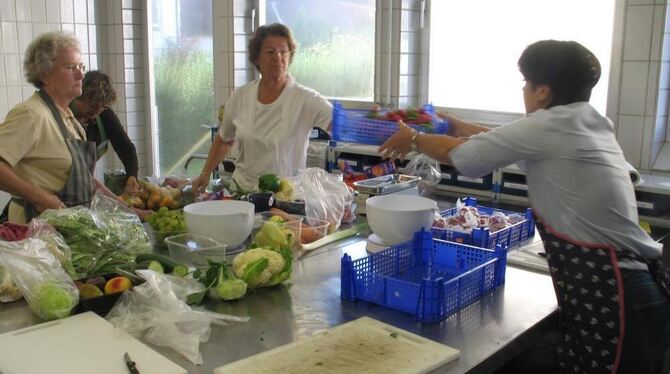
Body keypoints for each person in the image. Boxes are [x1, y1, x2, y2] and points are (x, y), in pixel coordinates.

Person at [380, 40, 670, 373]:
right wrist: (465, 128)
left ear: (543, 91)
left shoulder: (552, 125)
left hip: (616, 299)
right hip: (626, 293)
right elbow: (514, 142)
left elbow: (465, 158)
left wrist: (414, 138)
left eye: (526, 84)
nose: (524, 92)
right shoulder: (584, 121)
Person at [191, 23, 332, 195]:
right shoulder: (240, 96)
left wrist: (374, 133)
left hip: (284, 199)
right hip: (241, 192)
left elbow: (340, 124)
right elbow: (224, 139)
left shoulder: (305, 99)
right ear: (256, 58)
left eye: (283, 51)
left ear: (290, 55)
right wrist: (205, 174)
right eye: (270, 52)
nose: (278, 57)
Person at [0, 31, 119, 224]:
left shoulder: (69, 118)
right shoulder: (32, 114)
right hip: (36, 231)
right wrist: (40, 198)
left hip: (68, 227)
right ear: (45, 74)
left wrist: (127, 209)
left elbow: (87, 181)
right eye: (71, 67)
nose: (81, 74)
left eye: (81, 66)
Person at [70, 70, 140, 195]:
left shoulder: (105, 116)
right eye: (93, 106)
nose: (97, 111)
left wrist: (132, 175)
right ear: (79, 97)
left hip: (86, 184)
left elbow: (126, 149)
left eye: (101, 106)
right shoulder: (65, 117)